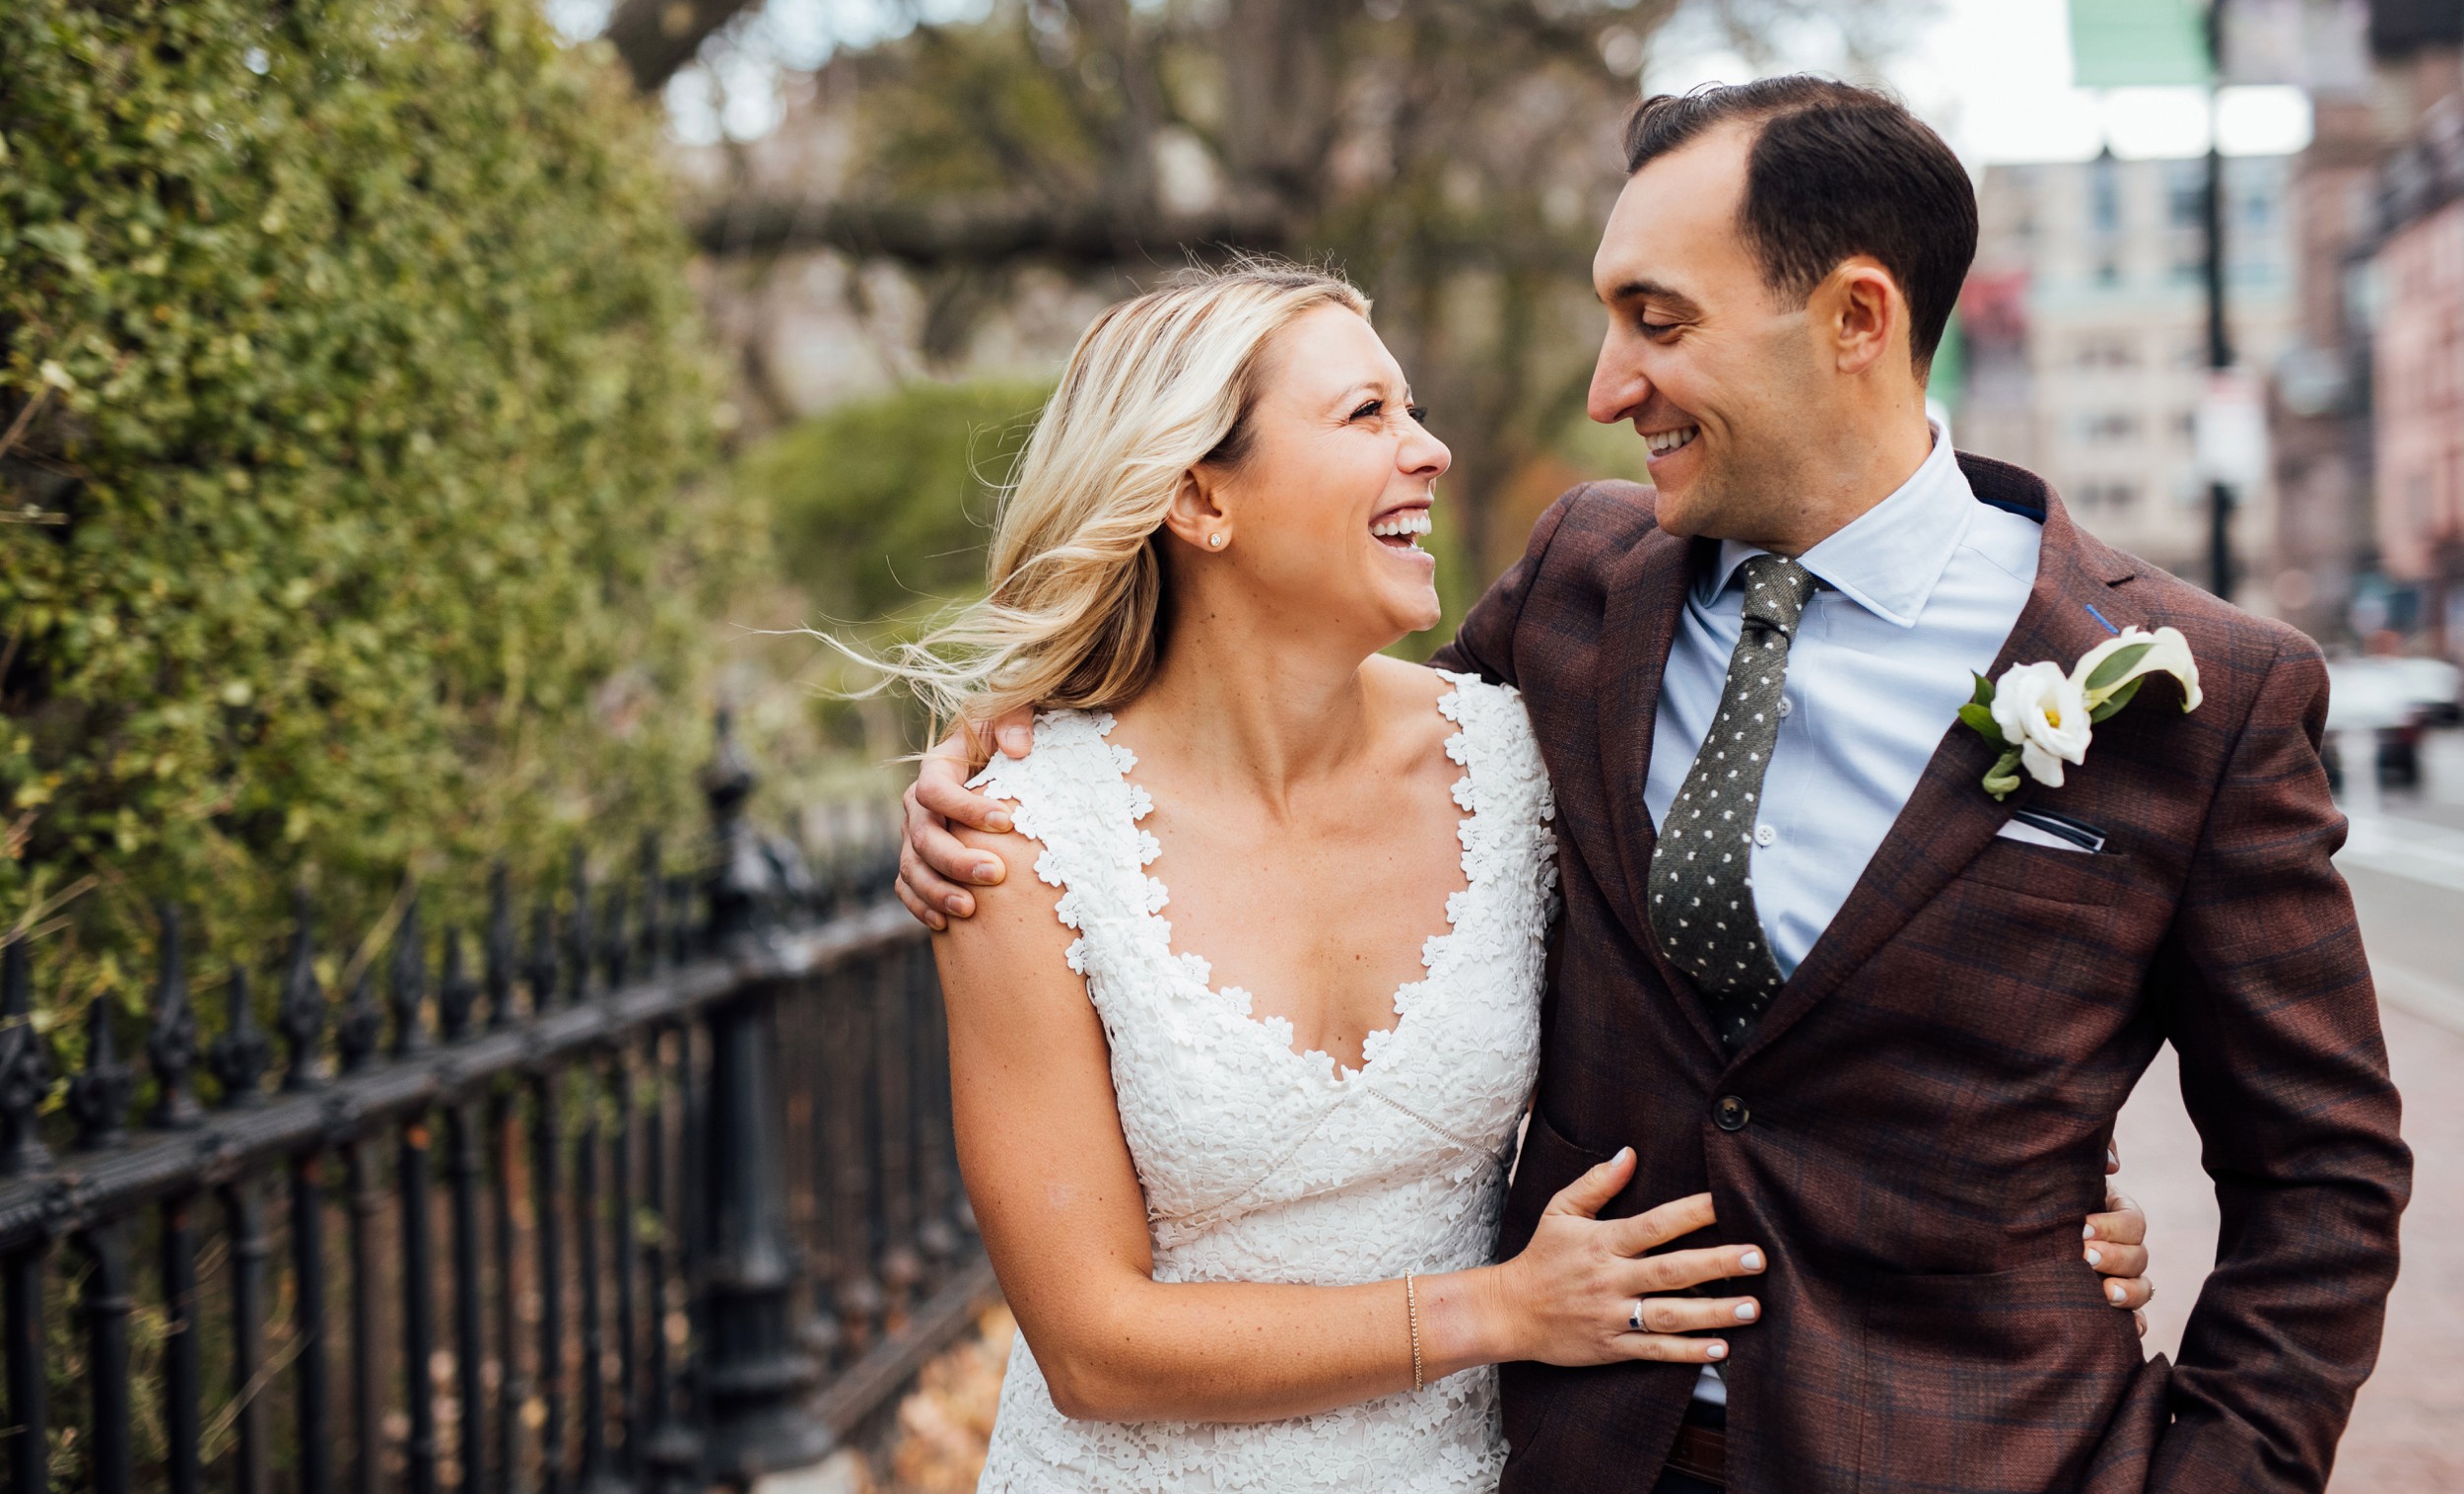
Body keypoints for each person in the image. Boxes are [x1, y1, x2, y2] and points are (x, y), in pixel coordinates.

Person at [899, 79, 2410, 1493]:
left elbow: (2324, 1175)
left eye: (1657, 320)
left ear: (1855, 320)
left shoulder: (2193, 693)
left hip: (1977, 1449)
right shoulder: (1574, 596)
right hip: (1563, 1453)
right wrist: (1014, 732)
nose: (1610, 382)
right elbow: (1272, 715)